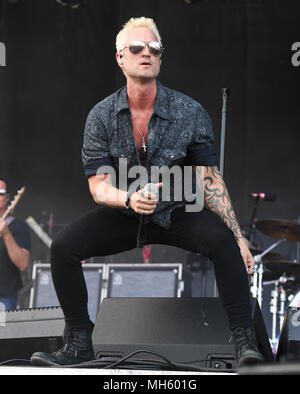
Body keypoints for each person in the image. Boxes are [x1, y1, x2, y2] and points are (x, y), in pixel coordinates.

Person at [31, 17, 264, 368]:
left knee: (225, 243)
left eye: (154, 49)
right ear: (120, 58)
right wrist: (128, 199)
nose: (146, 53)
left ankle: (244, 342)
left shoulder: (189, 112)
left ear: (160, 58)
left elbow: (209, 181)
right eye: (136, 48)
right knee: (64, 247)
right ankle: (79, 340)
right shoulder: (101, 116)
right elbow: (98, 187)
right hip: (124, 210)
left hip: (175, 210)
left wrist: (238, 237)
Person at [0, 177, 31, 310]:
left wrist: (7, 234)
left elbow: (23, 264)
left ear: (7, 198)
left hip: (4, 299)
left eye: (1, 192)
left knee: (3, 331)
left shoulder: (18, 227)